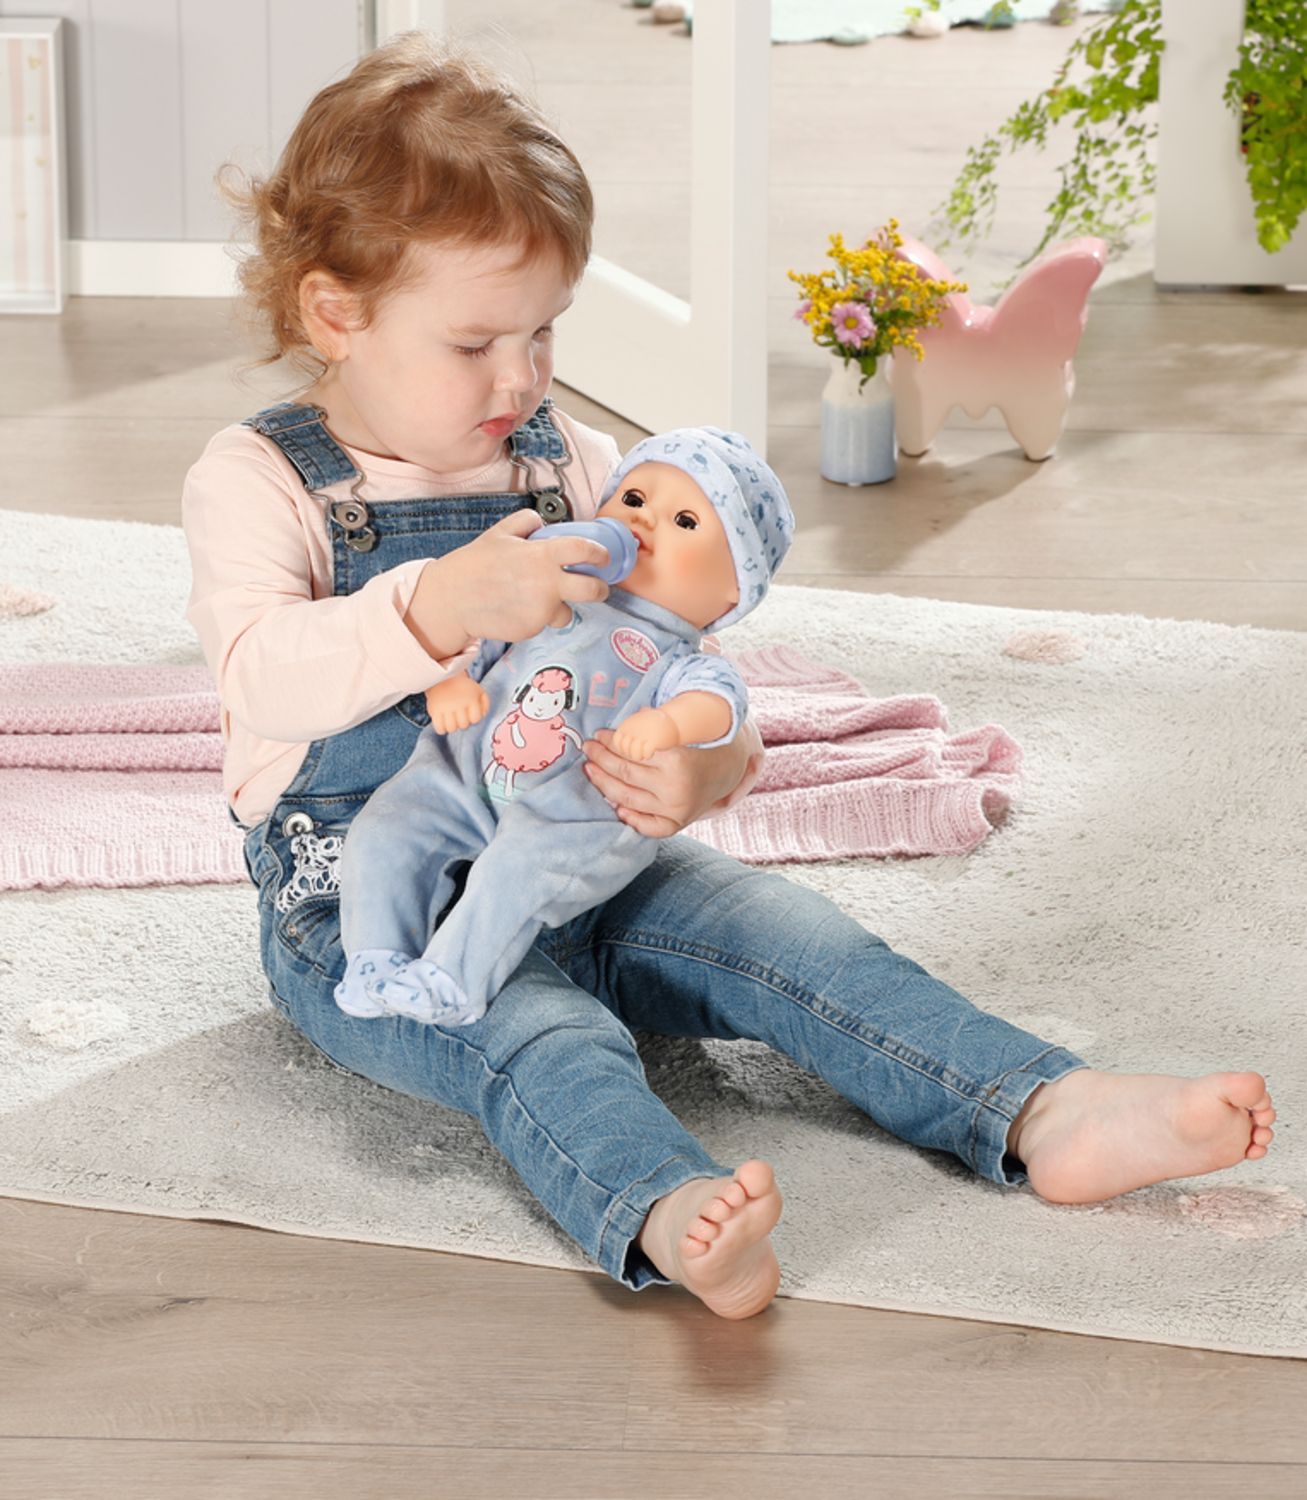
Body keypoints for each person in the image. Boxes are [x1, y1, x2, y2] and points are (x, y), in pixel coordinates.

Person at [183, 33, 1276, 1322]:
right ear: (335, 314)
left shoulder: (570, 462)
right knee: (537, 1035)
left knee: (793, 941)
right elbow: (261, 680)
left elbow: (684, 672)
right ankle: (664, 1208)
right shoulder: (262, 480)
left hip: (582, 854)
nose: (520, 376)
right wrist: (434, 606)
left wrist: (704, 771)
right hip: (374, 904)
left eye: (544, 331)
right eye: (475, 342)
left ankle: (1041, 1105)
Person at [332, 427, 793, 1029]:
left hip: (572, 812)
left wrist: (668, 723)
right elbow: (474, 633)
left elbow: (719, 706)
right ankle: (376, 955)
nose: (644, 521)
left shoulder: (681, 657)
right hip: (464, 772)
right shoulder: (554, 587)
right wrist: (449, 682)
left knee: (517, 875)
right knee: (390, 825)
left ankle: (451, 980)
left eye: (685, 521)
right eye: (634, 499)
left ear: (733, 592)